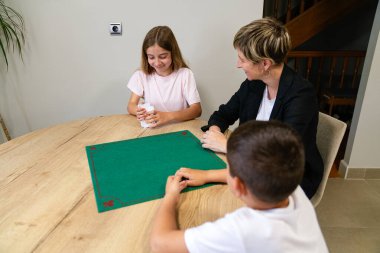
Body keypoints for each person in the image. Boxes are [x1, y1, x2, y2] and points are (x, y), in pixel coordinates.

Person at [176, 17, 323, 198]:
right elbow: (223, 114)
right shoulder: (254, 83)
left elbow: (277, 158)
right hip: (250, 164)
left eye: (243, 59)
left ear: (265, 63)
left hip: (289, 179)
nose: (238, 64)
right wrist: (215, 133)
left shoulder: (301, 95)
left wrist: (220, 157)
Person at [150, 120, 328, 253]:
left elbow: (160, 243)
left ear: (237, 186)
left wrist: (171, 197)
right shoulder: (291, 187)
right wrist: (207, 175)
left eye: (229, 168)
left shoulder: (243, 229)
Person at [127, 26, 202, 127]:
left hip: (179, 130)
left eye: (163, 56)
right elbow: (131, 105)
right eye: (151, 57)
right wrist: (138, 111)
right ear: (146, 56)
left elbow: (196, 110)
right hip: (153, 130)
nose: (157, 63)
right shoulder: (141, 75)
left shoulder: (185, 75)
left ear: (173, 53)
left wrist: (167, 116)